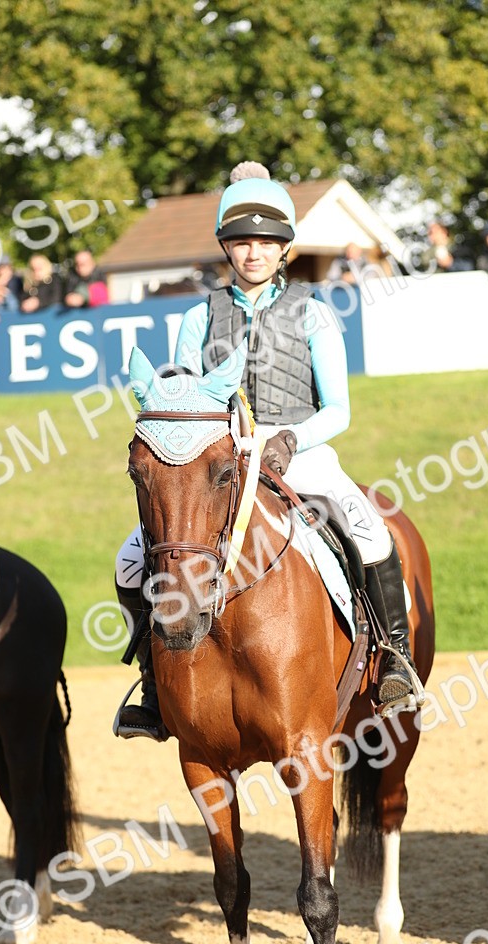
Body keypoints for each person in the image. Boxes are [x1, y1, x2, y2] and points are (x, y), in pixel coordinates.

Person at [114, 161, 423, 741]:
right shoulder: (197, 316)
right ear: (226, 248)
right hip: (219, 460)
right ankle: (156, 685)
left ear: (283, 249)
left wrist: (289, 438)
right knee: (131, 560)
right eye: (240, 242)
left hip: (299, 453)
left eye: (265, 242)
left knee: (373, 535)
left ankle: (392, 659)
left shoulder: (314, 312)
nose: (252, 252)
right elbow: (182, 396)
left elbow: (339, 409)